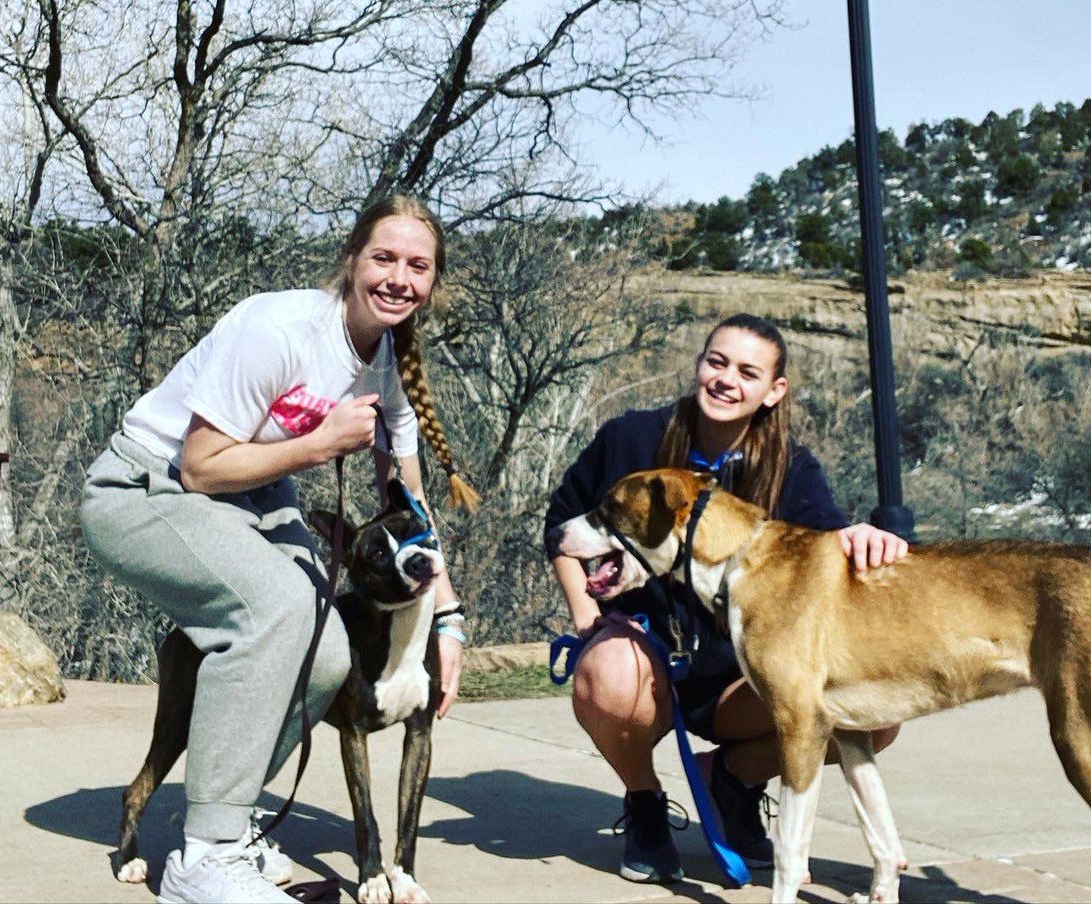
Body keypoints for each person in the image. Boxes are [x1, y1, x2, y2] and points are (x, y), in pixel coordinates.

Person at [81, 194, 478, 904]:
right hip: (145, 490)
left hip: (252, 504)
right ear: (351, 260)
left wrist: (447, 618)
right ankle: (203, 859)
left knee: (329, 656)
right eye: (383, 258)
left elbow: (408, 501)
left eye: (418, 266)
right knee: (276, 610)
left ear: (432, 282)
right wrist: (321, 443)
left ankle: (229, 822)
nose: (399, 278)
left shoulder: (388, 355)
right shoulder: (280, 329)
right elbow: (200, 465)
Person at [543, 313, 908, 884]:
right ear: (699, 365)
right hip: (646, 661)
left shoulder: (791, 467)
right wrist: (588, 615)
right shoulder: (632, 438)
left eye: (747, 371)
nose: (726, 380)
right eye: (716, 362)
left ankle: (733, 778)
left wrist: (862, 536)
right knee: (607, 673)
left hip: (741, 678)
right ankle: (645, 804)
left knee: (873, 712)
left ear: (773, 391)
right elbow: (561, 527)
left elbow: (823, 549)